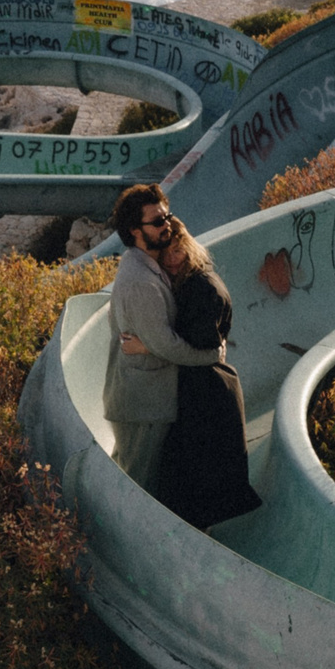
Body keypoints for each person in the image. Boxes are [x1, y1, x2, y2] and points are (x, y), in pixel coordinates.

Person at [102, 184, 220, 492]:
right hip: (143, 405)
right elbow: (166, 345)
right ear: (135, 231)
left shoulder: (147, 265)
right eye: (157, 222)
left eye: (167, 217)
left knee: (132, 477)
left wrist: (146, 346)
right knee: (138, 487)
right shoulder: (141, 280)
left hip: (145, 400)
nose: (166, 225)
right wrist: (210, 356)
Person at [152, 219, 262, 529]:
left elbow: (198, 344)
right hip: (208, 387)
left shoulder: (201, 288)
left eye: (177, 251)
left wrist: (148, 345)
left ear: (188, 247)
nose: (172, 260)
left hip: (208, 392)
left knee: (198, 482)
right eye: (165, 255)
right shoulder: (194, 281)